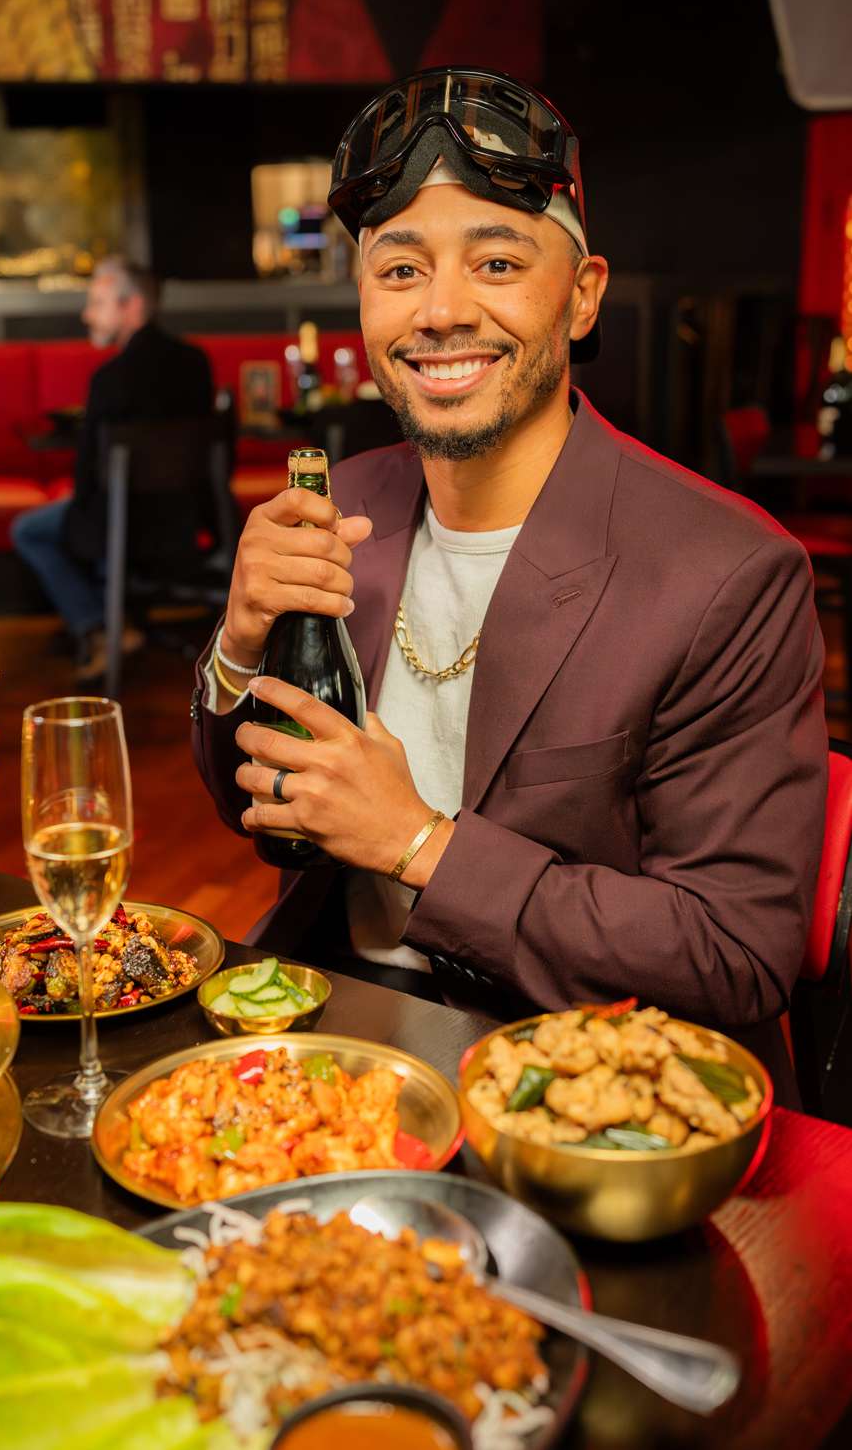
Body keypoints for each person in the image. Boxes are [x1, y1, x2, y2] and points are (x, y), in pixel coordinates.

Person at [191, 67, 827, 1098]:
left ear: (580, 298)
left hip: (571, 1078)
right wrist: (237, 645)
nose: (440, 312)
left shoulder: (725, 574)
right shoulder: (347, 499)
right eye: (399, 271)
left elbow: (732, 953)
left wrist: (413, 842)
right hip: (333, 1026)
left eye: (495, 261)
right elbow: (257, 808)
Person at [11, 258, 214, 679]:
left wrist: (79, 508)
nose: (87, 315)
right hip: (188, 522)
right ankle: (117, 623)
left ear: (132, 307)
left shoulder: (110, 378)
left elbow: (88, 479)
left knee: (28, 530)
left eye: (97, 303)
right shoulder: (197, 363)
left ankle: (101, 627)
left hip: (118, 526)